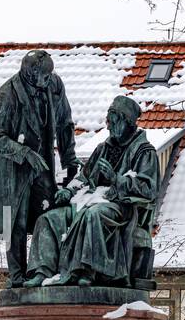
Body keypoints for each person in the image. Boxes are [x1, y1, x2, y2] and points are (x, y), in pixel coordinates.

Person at [23, 95, 159, 288]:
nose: (109, 127)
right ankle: (42, 271)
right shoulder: (102, 148)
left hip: (120, 206)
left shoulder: (145, 152)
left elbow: (148, 189)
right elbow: (83, 177)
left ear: (125, 121)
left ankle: (88, 271)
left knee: (93, 214)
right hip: (86, 200)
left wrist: (116, 179)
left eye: (112, 122)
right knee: (48, 218)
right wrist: (69, 192)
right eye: (108, 122)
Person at [0, 50, 79, 287]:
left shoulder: (55, 84)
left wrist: (69, 160)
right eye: (44, 77)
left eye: (50, 76)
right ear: (30, 73)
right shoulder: (7, 95)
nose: (48, 80)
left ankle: (45, 269)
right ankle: (17, 277)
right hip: (13, 170)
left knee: (50, 214)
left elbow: (65, 124)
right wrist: (24, 152)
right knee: (15, 222)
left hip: (43, 166)